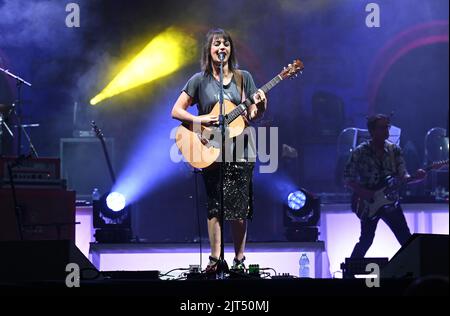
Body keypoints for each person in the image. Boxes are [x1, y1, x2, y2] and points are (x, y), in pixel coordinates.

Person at [171, 28, 267, 272]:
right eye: (217, 44)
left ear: (230, 49)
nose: (221, 48)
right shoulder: (198, 80)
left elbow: (252, 115)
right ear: (209, 50)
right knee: (215, 205)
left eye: (226, 44)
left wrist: (261, 105)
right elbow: (176, 111)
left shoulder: (243, 78)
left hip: (241, 150)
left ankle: (239, 260)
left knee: (239, 208)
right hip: (210, 149)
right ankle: (215, 259)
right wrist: (202, 120)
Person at [343, 114, 426, 258]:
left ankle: (415, 273)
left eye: (387, 127)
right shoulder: (360, 151)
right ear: (372, 131)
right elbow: (347, 179)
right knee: (366, 240)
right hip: (369, 203)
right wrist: (365, 193)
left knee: (405, 239)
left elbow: (403, 176)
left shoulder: (395, 150)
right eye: (382, 128)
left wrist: (416, 178)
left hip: (391, 202)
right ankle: (349, 273)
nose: (386, 131)